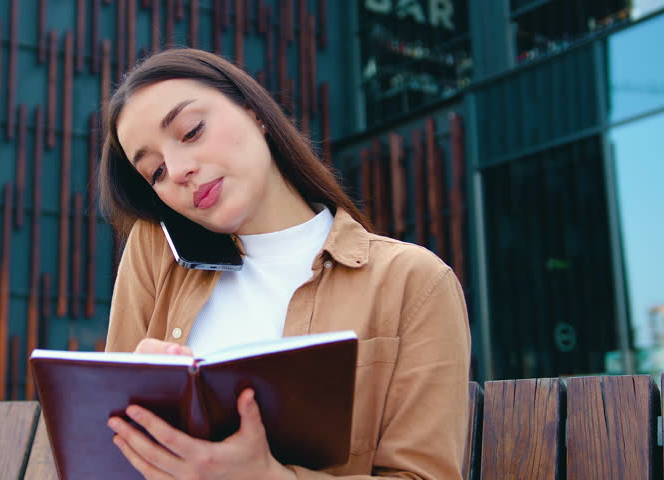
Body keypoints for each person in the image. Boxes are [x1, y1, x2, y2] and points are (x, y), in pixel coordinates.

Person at [99, 48, 471, 480]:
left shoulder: (413, 282)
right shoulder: (155, 251)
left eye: (191, 131)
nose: (179, 170)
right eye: (155, 172)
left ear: (255, 111)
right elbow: (107, 455)